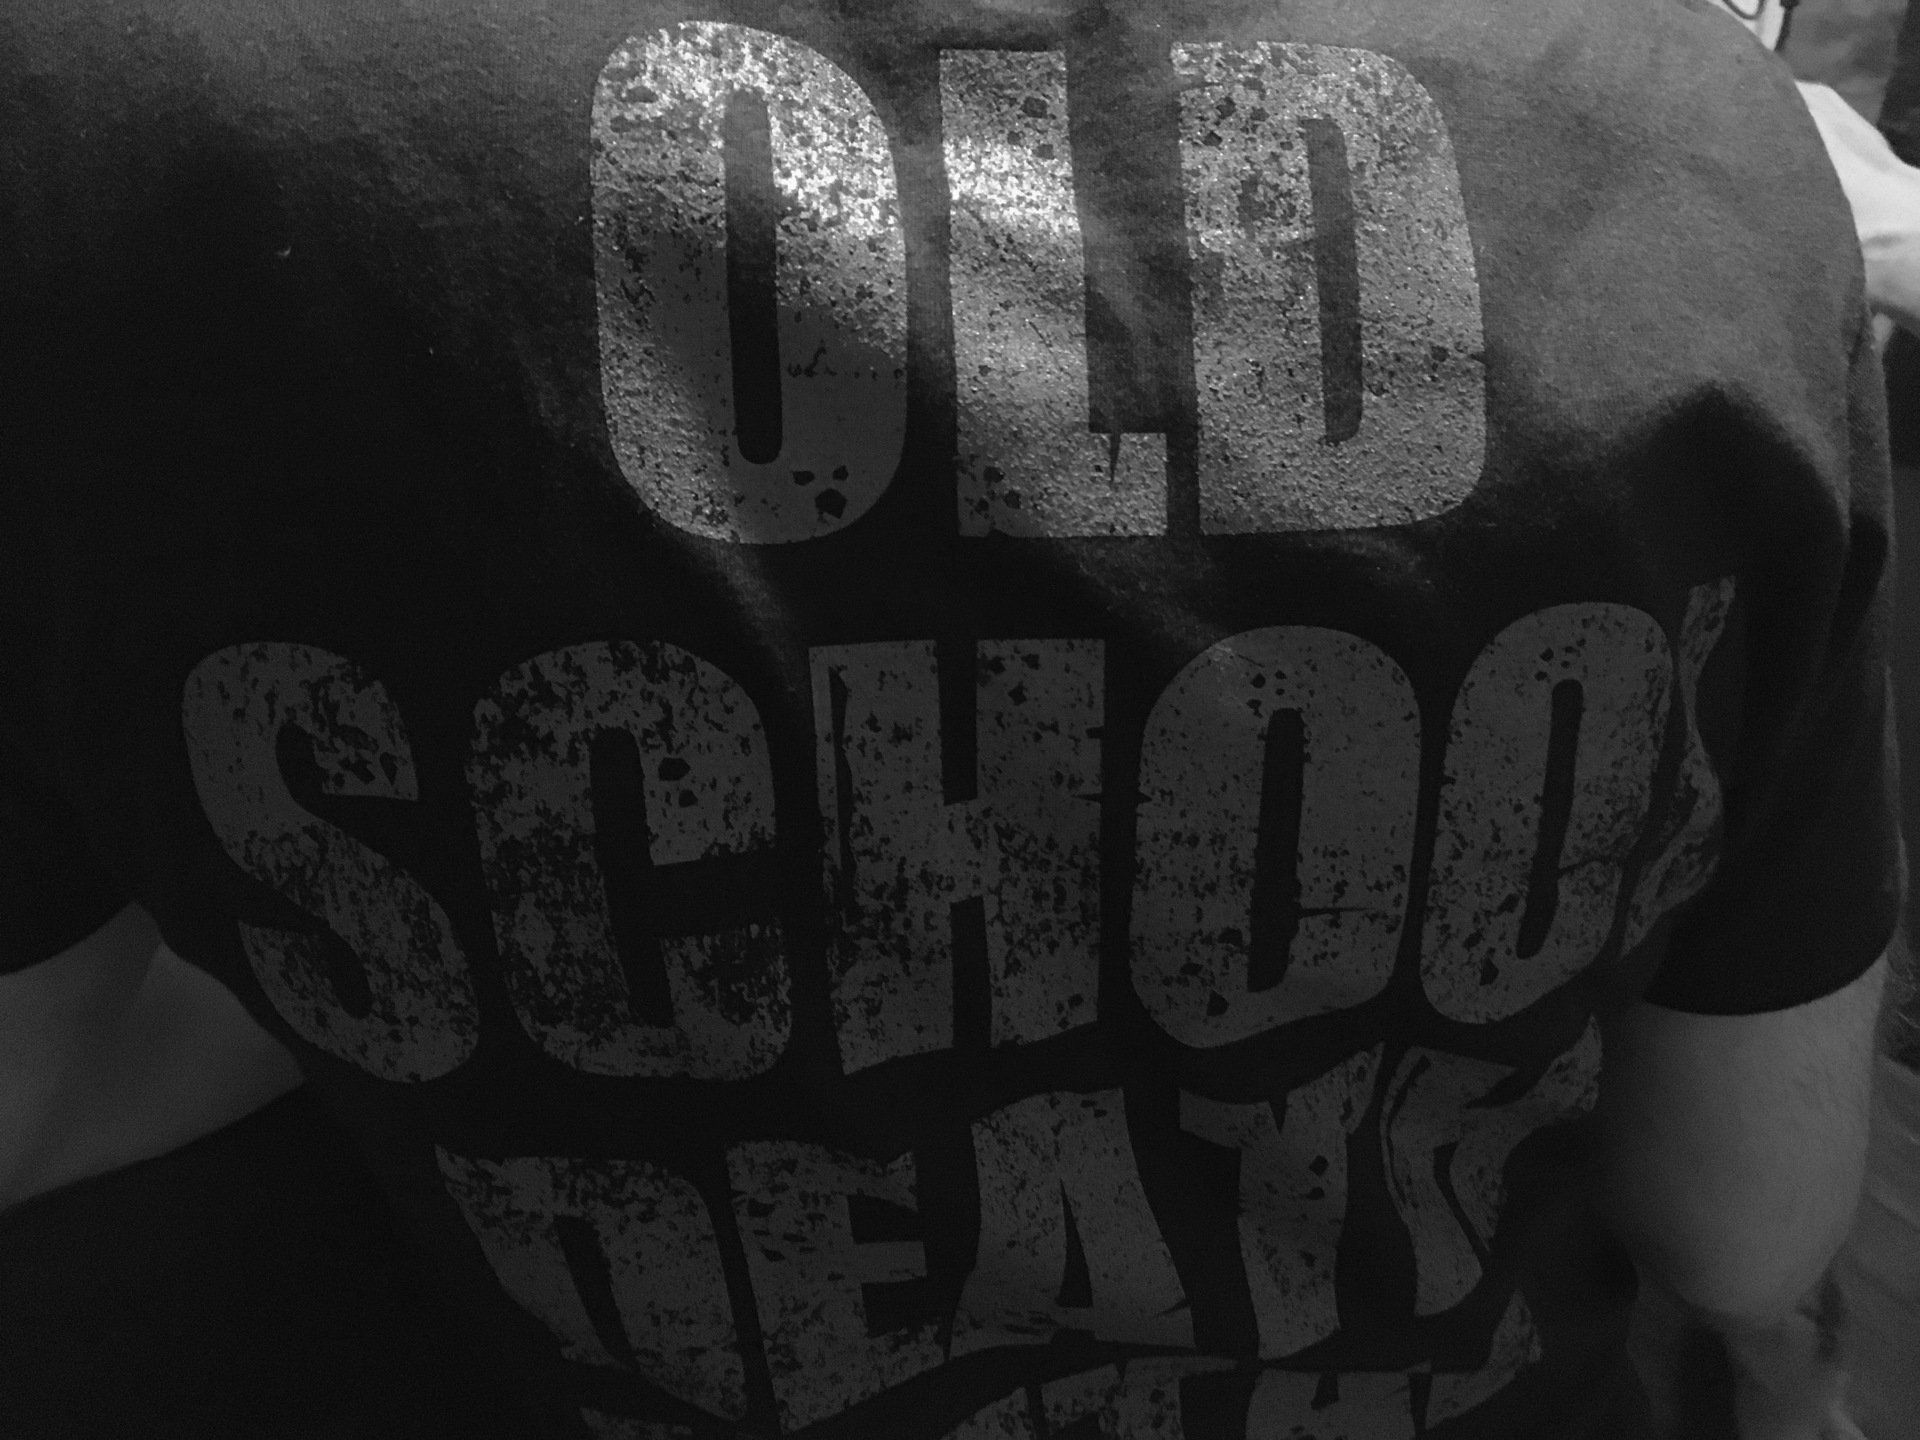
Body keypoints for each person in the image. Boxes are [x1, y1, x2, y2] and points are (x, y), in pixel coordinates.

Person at [0, 0, 1897, 1436]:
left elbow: (43, 1100)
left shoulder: (116, 121)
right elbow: (1741, 1227)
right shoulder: (1684, 156)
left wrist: (455, 931)